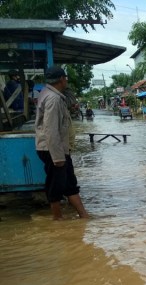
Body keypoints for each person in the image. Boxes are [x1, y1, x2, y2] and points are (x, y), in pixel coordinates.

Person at [35, 65, 89, 220]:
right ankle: (57, 220)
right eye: (65, 78)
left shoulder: (49, 94)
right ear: (61, 79)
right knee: (56, 186)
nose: (66, 80)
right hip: (53, 150)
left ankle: (84, 216)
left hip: (58, 149)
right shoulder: (53, 98)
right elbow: (51, 129)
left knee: (70, 183)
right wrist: (58, 158)